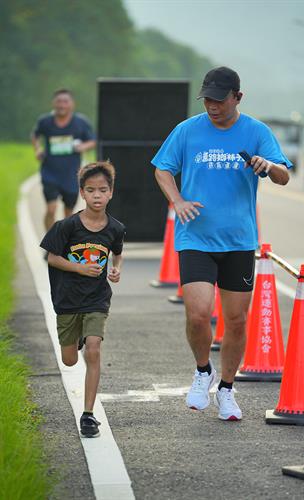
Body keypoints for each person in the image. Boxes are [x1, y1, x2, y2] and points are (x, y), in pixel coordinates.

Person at [152, 66, 291, 421]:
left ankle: (227, 389)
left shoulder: (256, 132)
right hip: (196, 237)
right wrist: (177, 200)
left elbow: (284, 175)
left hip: (239, 241)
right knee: (198, 315)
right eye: (207, 100)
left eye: (219, 100)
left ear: (237, 97)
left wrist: (268, 165)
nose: (212, 106)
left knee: (236, 320)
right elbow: (162, 169)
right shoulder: (188, 130)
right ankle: (203, 371)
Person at [40, 161, 125, 437]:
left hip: (97, 300)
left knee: (93, 349)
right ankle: (76, 339)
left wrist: (116, 269)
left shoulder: (115, 228)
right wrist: (79, 267)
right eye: (91, 190)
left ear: (111, 192)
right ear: (82, 193)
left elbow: (117, 252)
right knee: (69, 361)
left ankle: (88, 415)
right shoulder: (66, 227)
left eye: (102, 190)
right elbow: (51, 258)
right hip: (67, 300)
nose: (97, 195)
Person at [32, 89, 96, 231]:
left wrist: (83, 146)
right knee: (51, 209)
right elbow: (35, 135)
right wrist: (37, 149)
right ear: (53, 103)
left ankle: (64, 243)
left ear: (72, 104)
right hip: (49, 172)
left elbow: (93, 140)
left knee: (68, 214)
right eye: (59, 101)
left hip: (71, 175)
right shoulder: (45, 121)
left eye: (65, 101)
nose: (62, 105)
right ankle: (50, 243)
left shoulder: (80, 123)